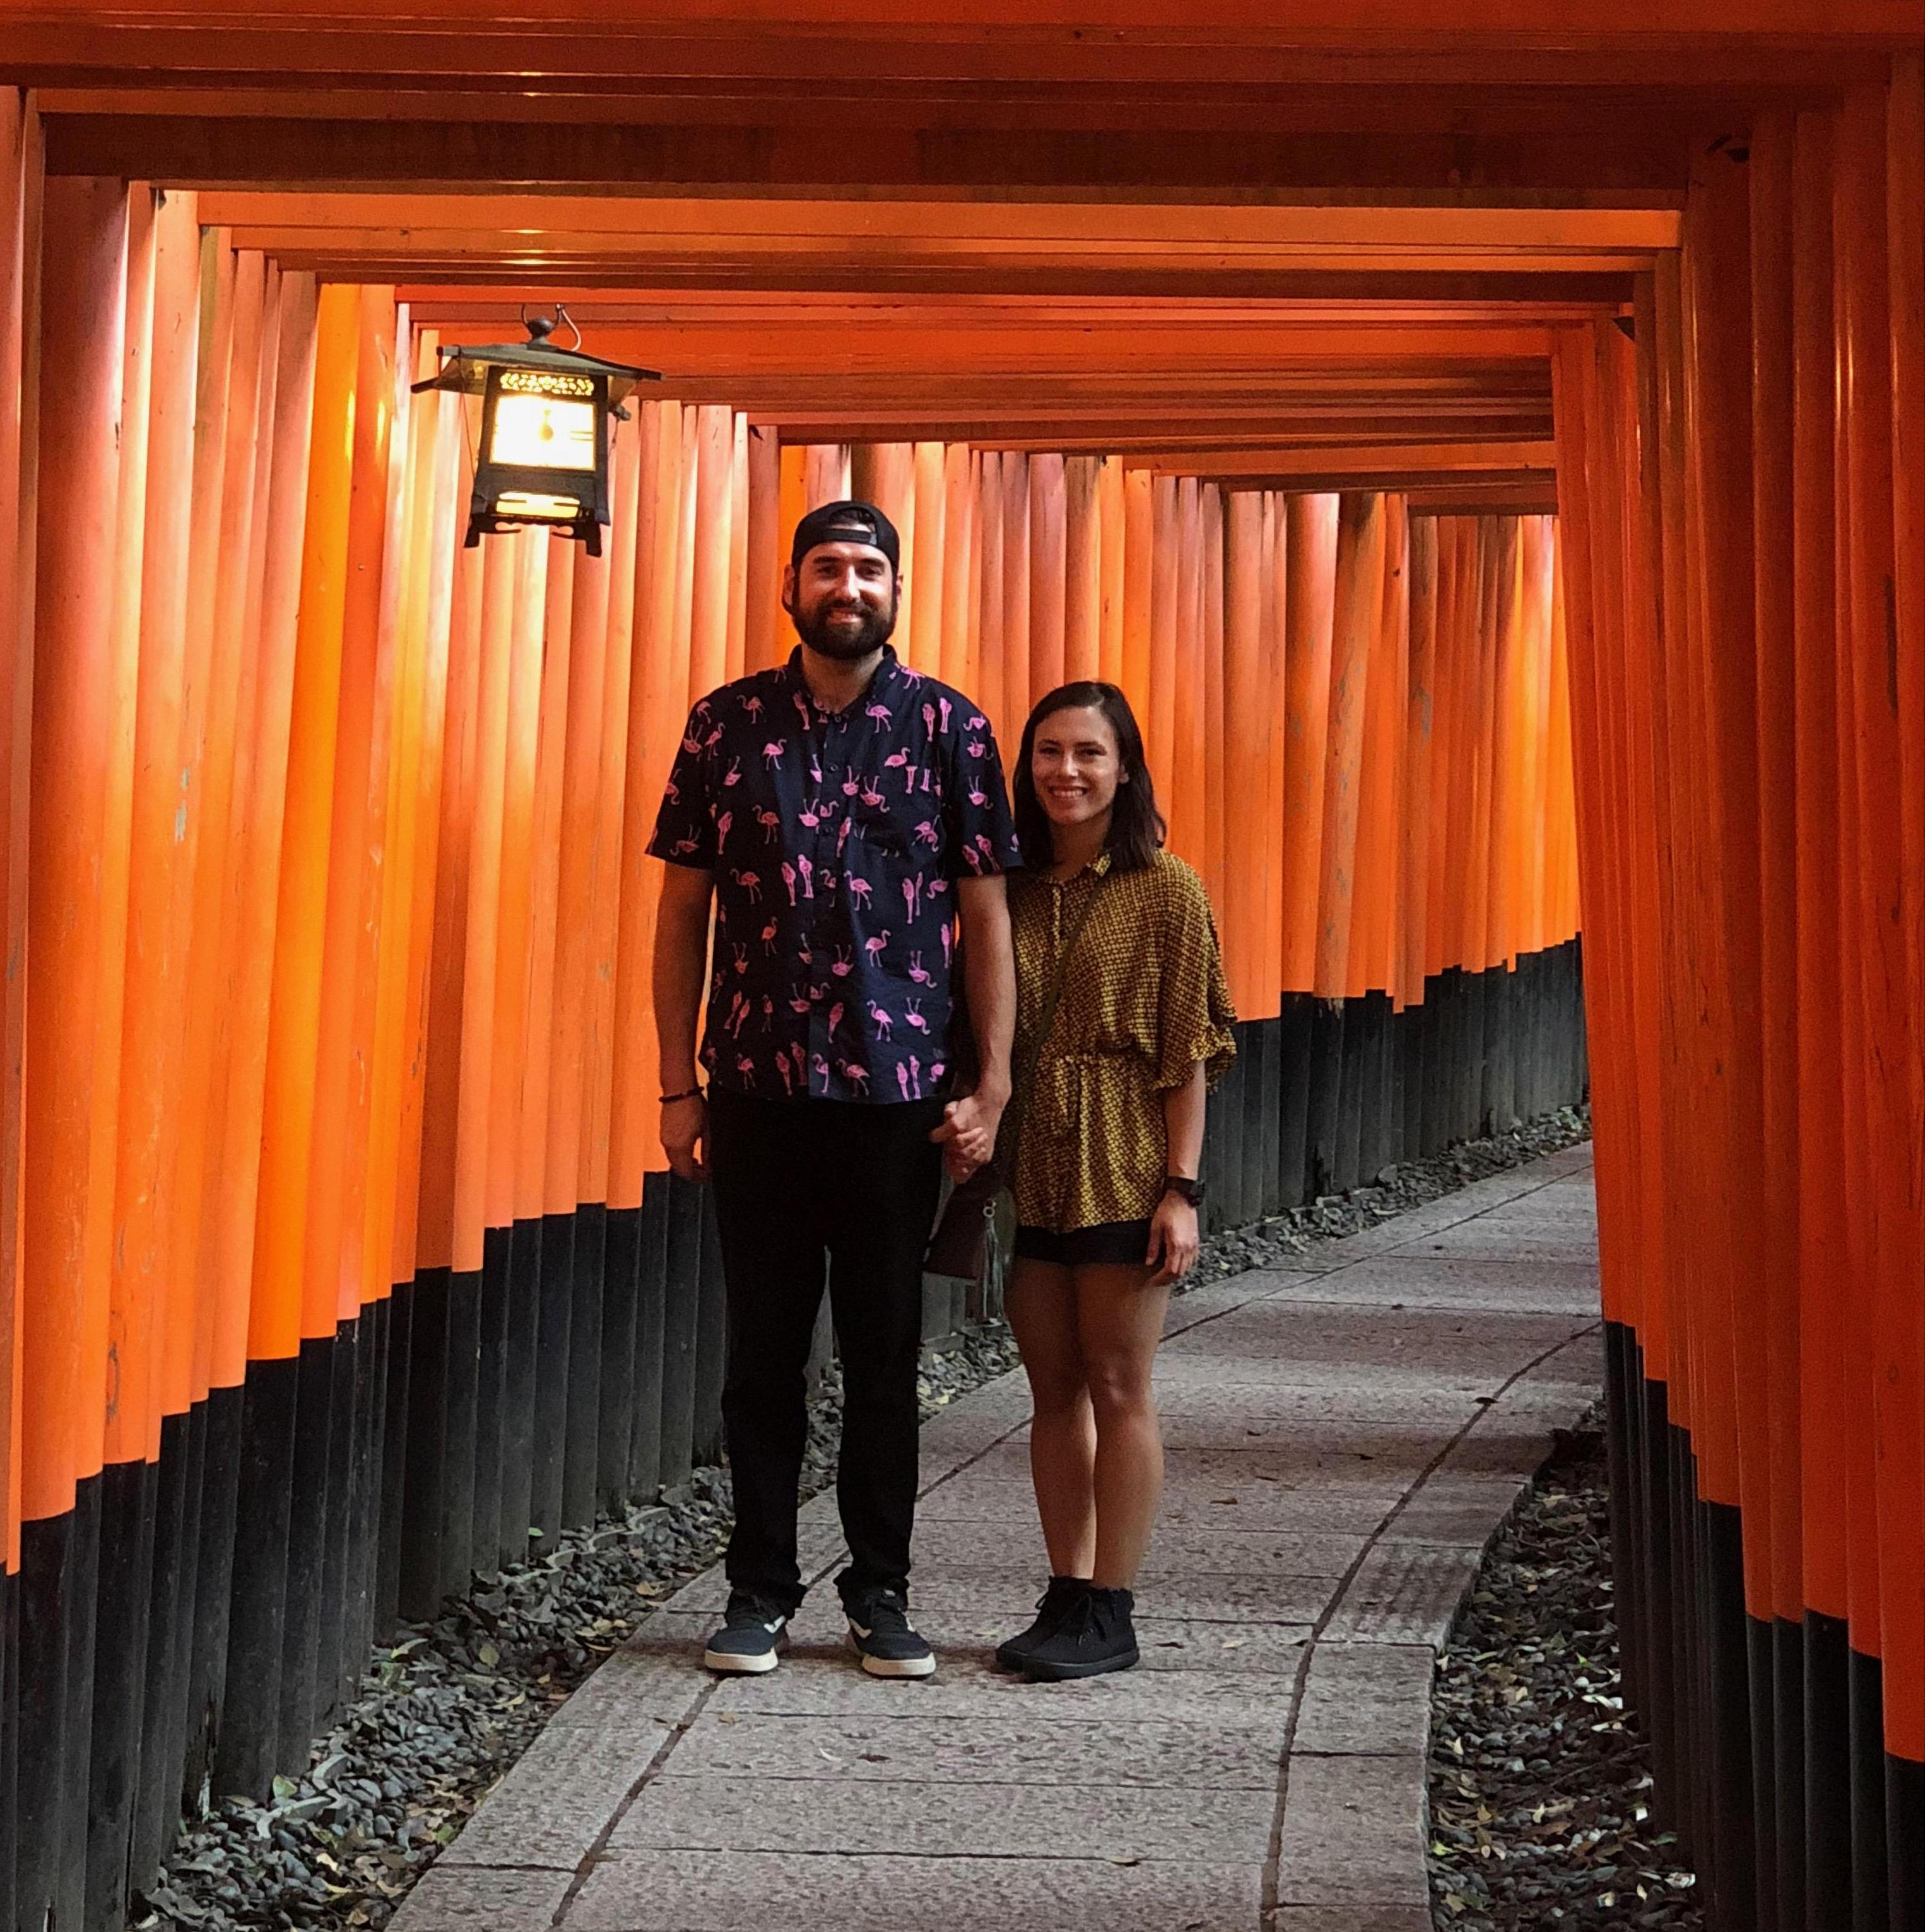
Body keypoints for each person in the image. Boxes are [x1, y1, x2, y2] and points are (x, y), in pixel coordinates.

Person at [649, 500, 1018, 1679]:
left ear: (895, 589)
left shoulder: (951, 730)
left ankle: (881, 1589)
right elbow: (680, 913)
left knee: (883, 1351)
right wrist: (675, 1084)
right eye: (827, 566)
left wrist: (992, 1087)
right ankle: (757, 1588)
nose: (847, 584)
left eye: (869, 567)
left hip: (893, 1098)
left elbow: (985, 918)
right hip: (755, 1088)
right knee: (761, 1354)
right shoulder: (726, 726)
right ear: (791, 588)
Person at [990, 681, 1236, 1681]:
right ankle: (1065, 1584)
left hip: (1125, 1156)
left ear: (1124, 767)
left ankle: (1114, 1604)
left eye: (1089, 753)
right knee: (1050, 1388)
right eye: (1049, 751)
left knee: (1119, 1381)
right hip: (1034, 1162)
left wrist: (1181, 1189)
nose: (1066, 772)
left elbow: (1187, 1051)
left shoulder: (1165, 887)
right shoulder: (1006, 883)